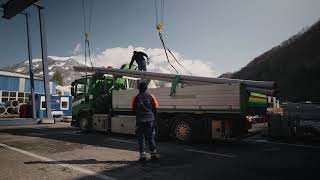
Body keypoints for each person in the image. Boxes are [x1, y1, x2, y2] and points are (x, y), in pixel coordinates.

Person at [131, 81, 159, 162]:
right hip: (150, 120)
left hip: (140, 120)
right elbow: (156, 108)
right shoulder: (151, 96)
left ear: (139, 88)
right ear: (146, 88)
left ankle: (143, 157)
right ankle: (153, 155)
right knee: (150, 137)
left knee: (141, 138)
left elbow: (133, 110)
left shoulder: (136, 98)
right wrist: (153, 118)